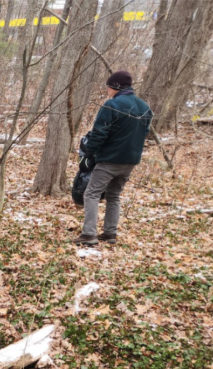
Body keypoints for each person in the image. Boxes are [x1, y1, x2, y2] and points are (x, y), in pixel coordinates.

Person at [73, 70, 152, 246]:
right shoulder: (144, 107)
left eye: (109, 86)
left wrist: (89, 153)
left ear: (115, 86)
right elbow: (144, 133)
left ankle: (88, 234)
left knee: (91, 194)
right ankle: (110, 233)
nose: (107, 89)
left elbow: (99, 133)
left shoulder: (111, 106)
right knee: (114, 196)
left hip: (110, 160)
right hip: (130, 161)